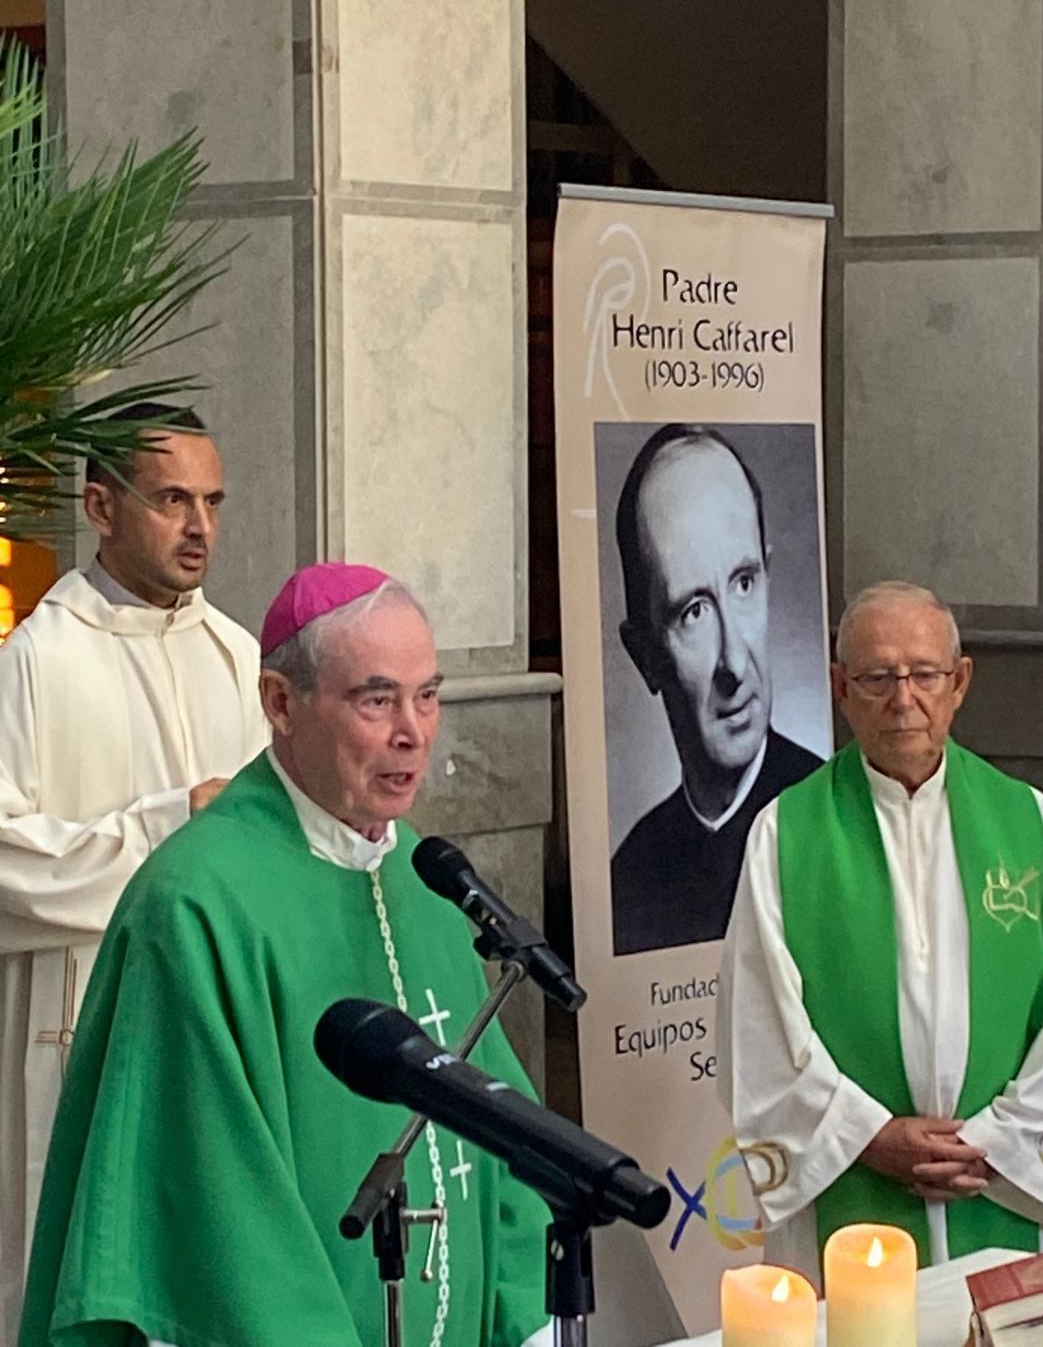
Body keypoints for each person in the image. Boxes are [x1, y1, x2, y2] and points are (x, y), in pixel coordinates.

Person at [19, 563, 551, 1347]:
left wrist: (527, 1308)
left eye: (428, 695)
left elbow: (498, 1130)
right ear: (279, 704)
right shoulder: (195, 904)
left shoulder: (422, 880)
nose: (415, 731)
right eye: (377, 699)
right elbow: (217, 1217)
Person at [0, 404, 268, 1344]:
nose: (200, 527)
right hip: (77, 1020)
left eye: (213, 501)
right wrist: (165, 829)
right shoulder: (35, 660)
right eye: (170, 501)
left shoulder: (239, 658)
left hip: (215, 1023)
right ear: (102, 507)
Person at [718, 580, 1043, 1286]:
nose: (904, 699)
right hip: (854, 1183)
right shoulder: (786, 834)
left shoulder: (1033, 825)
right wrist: (868, 1137)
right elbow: (758, 1026)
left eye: (924, 674)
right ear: (840, 687)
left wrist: (997, 1142)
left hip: (1006, 1190)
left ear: (959, 682)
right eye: (876, 678)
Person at [611, 423, 821, 954]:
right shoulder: (627, 881)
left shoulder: (840, 819)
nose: (733, 661)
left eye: (744, 583)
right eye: (693, 611)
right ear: (645, 656)